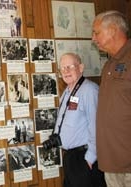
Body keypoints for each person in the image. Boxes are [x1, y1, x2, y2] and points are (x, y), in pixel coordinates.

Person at [52, 53, 106, 187]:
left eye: (70, 67)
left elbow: (97, 126)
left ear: (81, 68)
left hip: (85, 158)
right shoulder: (67, 91)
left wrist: (90, 158)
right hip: (71, 158)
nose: (66, 71)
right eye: (62, 68)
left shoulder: (89, 90)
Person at [92, 10, 131, 187]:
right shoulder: (109, 64)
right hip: (112, 162)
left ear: (113, 30)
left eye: (96, 32)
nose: (93, 38)